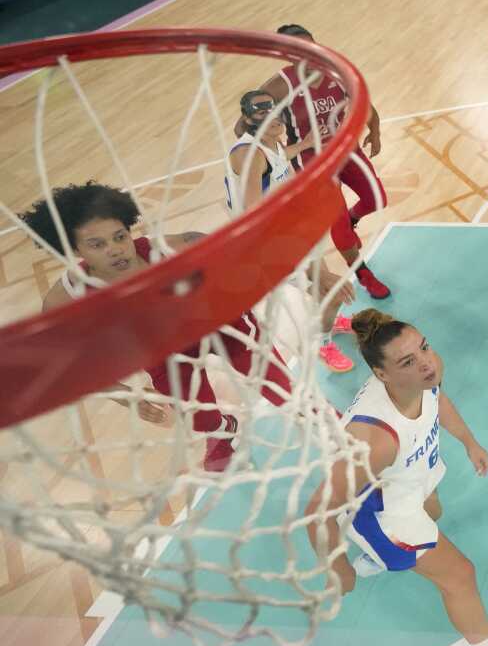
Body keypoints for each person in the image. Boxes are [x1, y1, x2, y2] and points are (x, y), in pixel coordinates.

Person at [305, 309, 488, 646]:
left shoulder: (420, 378)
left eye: (425, 348)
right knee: (460, 576)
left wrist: (469, 441)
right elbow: (317, 511)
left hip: (409, 478)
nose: (426, 363)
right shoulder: (374, 442)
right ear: (382, 375)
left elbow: (437, 399)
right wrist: (337, 568)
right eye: (409, 361)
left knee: (434, 509)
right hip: (383, 513)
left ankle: (379, 555)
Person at [21, 182, 292, 471]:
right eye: (97, 244)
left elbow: (240, 255)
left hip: (218, 324)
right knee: (199, 417)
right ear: (75, 250)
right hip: (164, 350)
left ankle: (320, 418)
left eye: (119, 237)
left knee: (280, 388)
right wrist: (128, 398)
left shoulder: (173, 248)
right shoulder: (65, 301)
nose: (115, 250)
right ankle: (224, 430)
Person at [238, 23, 390, 300]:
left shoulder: (337, 70)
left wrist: (375, 131)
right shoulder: (277, 87)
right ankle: (364, 275)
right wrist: (279, 151)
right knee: (338, 225)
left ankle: (352, 218)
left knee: (377, 199)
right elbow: (241, 129)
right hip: (312, 165)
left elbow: (364, 102)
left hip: (346, 150)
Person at [227, 89, 357, 373]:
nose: (272, 117)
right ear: (248, 119)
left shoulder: (269, 144)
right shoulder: (249, 155)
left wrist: (303, 145)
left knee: (327, 287)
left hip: (289, 233)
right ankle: (324, 343)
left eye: (274, 110)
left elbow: (279, 157)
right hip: (269, 244)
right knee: (331, 289)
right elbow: (254, 212)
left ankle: (328, 320)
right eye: (262, 112)